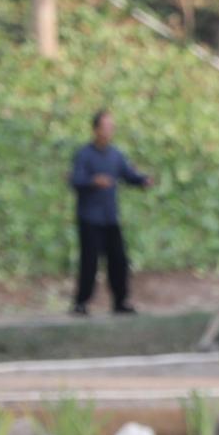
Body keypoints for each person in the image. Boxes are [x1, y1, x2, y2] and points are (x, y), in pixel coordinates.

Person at [68, 109, 154, 315]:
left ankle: (120, 301)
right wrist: (93, 181)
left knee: (119, 260)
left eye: (111, 127)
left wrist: (142, 180)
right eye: (105, 127)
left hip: (110, 217)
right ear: (96, 129)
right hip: (90, 217)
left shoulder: (115, 155)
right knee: (89, 262)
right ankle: (81, 302)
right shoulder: (84, 154)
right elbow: (75, 179)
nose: (108, 131)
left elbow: (128, 174)